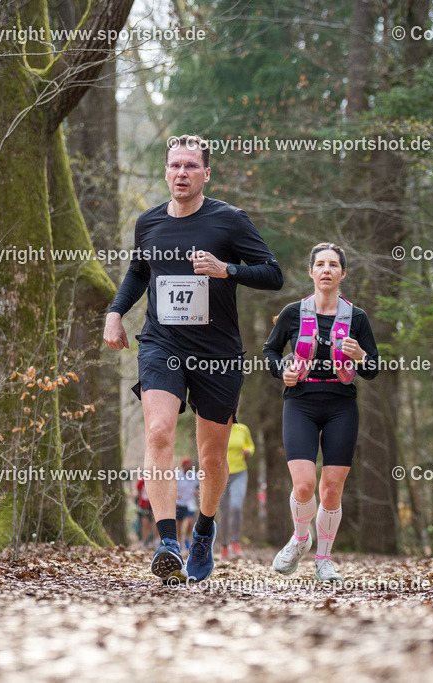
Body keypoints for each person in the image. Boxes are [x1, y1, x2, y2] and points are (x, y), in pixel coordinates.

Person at [103, 134, 283, 583]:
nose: (181, 173)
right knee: (158, 432)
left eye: (190, 165)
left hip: (217, 351)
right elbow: (138, 273)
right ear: (166, 172)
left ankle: (203, 531)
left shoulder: (229, 221)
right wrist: (115, 313)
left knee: (212, 456)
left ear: (206, 173)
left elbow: (273, 274)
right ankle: (167, 543)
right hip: (161, 343)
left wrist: (227, 270)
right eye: (175, 165)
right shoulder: (148, 223)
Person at [263, 243, 380, 581]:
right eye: (320, 264)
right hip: (300, 402)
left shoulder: (356, 318)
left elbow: (373, 368)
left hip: (341, 405)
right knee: (304, 485)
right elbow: (271, 351)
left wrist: (359, 356)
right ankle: (301, 539)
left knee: (330, 488)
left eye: (333, 265)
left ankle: (324, 560)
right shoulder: (293, 313)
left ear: (343, 273)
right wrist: (282, 370)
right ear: (311, 272)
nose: (326, 270)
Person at [220, 420, 253, 559]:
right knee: (224, 512)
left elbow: (250, 445)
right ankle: (224, 545)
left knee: (236, 507)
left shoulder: (242, 429)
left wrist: (249, 450)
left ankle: (235, 542)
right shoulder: (218, 427)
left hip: (239, 473)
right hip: (222, 474)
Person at [176, 458, 199, 548]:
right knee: (179, 524)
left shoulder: (195, 475)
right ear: (183, 466)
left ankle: (186, 538)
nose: (188, 468)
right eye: (187, 466)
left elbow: (199, 486)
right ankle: (179, 541)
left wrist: (197, 491)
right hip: (180, 502)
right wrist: (176, 494)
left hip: (190, 502)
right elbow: (173, 487)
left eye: (189, 466)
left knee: (190, 522)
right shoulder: (178, 475)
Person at [136, 477, 154, 549]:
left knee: (149, 525)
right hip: (143, 505)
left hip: (151, 505)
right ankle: (144, 540)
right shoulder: (141, 481)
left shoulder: (154, 481)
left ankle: (147, 539)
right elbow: (138, 491)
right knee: (144, 523)